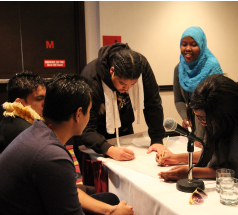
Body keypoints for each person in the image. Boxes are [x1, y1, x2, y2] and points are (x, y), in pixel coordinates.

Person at [0, 74, 135, 215]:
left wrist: (109, 211)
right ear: (78, 114)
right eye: (89, 111)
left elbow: (67, 192)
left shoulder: (36, 129)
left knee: (109, 200)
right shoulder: (52, 156)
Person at [74, 43, 165, 168]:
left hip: (123, 128)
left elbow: (153, 103)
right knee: (96, 183)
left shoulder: (141, 65)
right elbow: (85, 128)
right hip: (93, 135)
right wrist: (108, 149)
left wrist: (157, 139)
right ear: (112, 71)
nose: (127, 89)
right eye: (122, 83)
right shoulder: (91, 77)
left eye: (133, 84)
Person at [173, 26, 223, 144]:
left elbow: (217, 104)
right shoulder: (179, 68)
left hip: (211, 124)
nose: (188, 48)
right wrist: (185, 117)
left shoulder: (212, 67)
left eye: (194, 44)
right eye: (184, 44)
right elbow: (179, 99)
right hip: (194, 124)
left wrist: (202, 135)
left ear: (202, 45)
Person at [0, 71, 46, 153]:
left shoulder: (7, 122)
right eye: (39, 99)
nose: (45, 104)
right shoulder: (27, 132)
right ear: (19, 103)